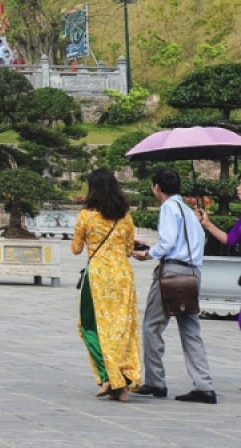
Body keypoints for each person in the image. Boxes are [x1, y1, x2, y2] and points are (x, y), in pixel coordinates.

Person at [132, 168, 214, 404]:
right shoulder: (188, 211)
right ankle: (203, 384)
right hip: (192, 272)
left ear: (157, 188)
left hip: (172, 273)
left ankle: (155, 380)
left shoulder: (169, 208)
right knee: (190, 328)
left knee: (152, 324)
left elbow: (167, 242)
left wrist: (148, 254)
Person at [70, 170, 140, 400]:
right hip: (122, 276)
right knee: (122, 328)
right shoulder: (125, 216)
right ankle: (125, 378)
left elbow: (76, 248)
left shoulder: (86, 216)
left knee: (90, 326)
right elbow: (130, 250)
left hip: (98, 276)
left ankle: (109, 376)